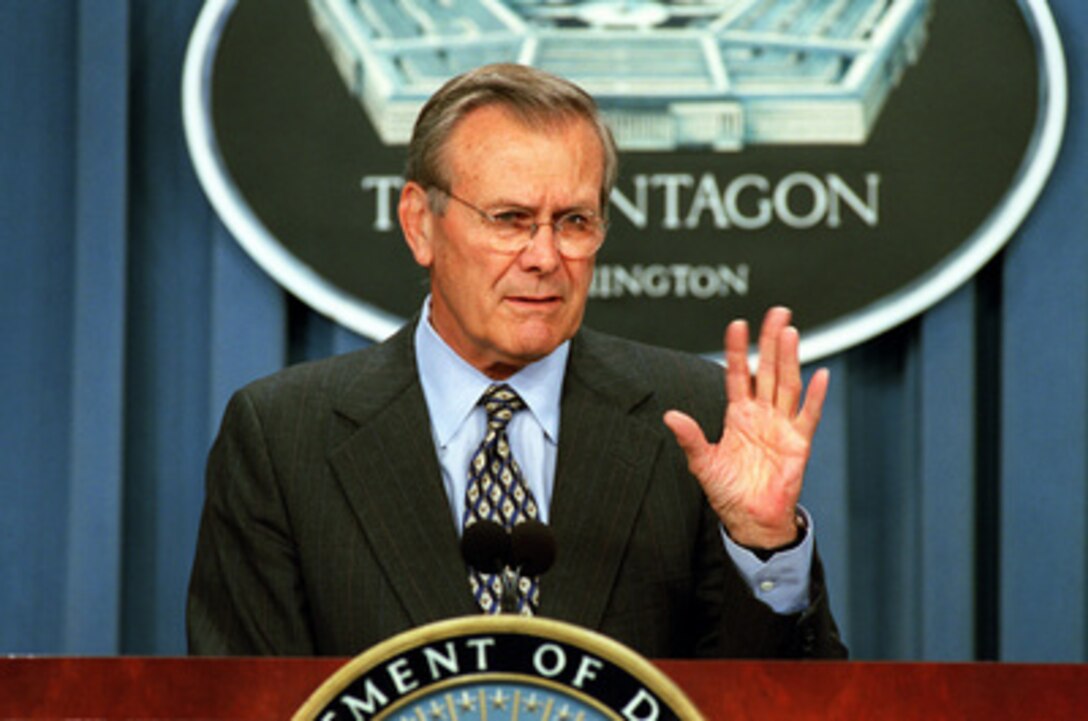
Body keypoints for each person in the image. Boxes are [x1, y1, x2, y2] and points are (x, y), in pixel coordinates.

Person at [187, 63, 846, 659]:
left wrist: (764, 544)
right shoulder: (283, 438)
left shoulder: (692, 423)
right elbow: (250, 701)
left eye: (575, 222)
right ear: (420, 223)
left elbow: (782, 703)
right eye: (509, 218)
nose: (544, 256)